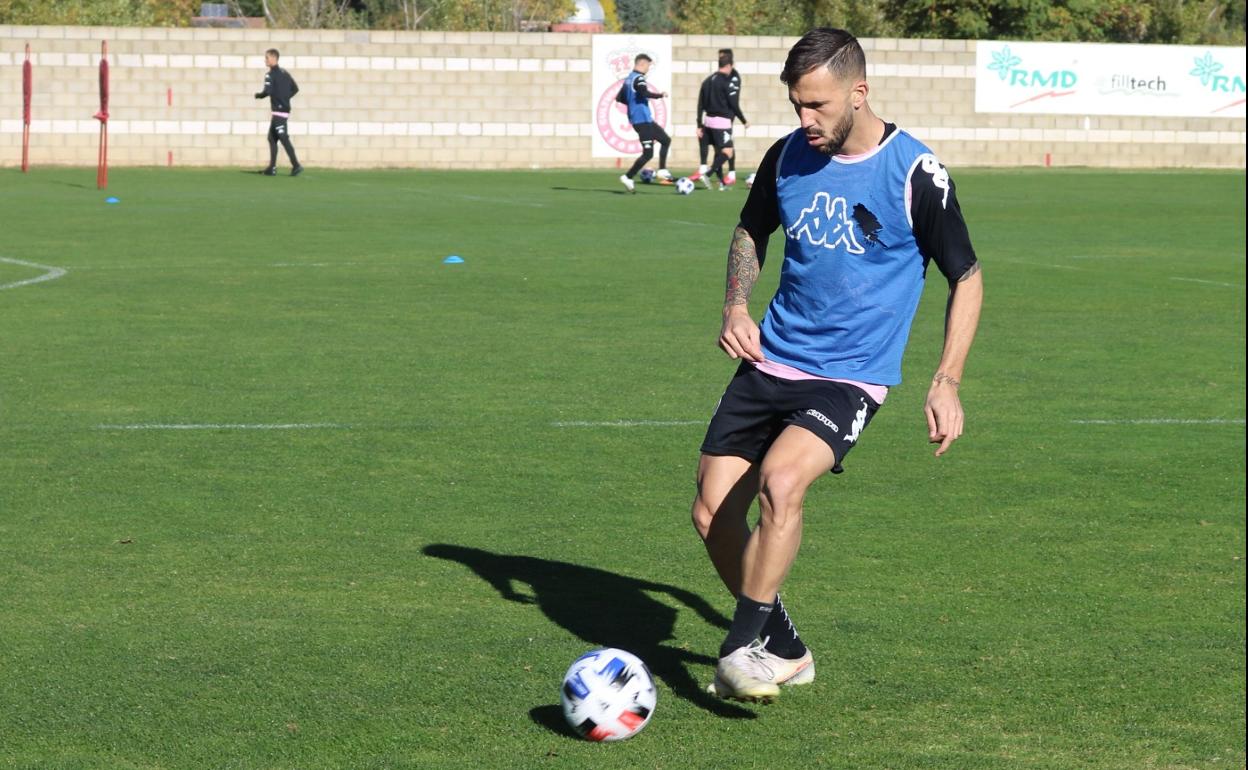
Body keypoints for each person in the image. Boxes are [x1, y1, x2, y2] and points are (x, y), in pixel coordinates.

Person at [690, 28, 984, 703]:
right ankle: (786, 647)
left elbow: (965, 276)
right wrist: (737, 306)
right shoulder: (787, 156)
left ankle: (742, 647)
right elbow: (750, 229)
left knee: (782, 482)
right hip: (772, 359)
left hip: (850, 374)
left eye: (817, 105)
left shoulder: (914, 172)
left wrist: (946, 380)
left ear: (859, 91)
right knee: (711, 515)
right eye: (796, 104)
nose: (805, 120)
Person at [693, 49, 748, 190]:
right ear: (729, 66)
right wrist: (743, 120)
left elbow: (700, 104)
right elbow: (733, 103)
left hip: (708, 121)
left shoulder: (707, 81)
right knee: (728, 152)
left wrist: (699, 124)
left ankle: (722, 183)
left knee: (718, 152)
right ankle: (708, 173)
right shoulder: (725, 82)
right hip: (721, 122)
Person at [618, 54, 672, 193]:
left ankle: (662, 170)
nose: (648, 68)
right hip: (641, 121)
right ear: (642, 64)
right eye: (648, 65)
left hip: (644, 119)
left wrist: (633, 105)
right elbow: (644, 92)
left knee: (665, 140)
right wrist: (660, 95)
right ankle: (628, 176)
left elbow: (620, 98)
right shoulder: (639, 78)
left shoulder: (628, 79)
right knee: (648, 154)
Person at [255, 48, 302, 177]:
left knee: (284, 138)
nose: (265, 60)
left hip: (278, 112)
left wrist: (259, 95)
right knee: (271, 138)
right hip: (284, 110)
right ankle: (272, 168)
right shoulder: (285, 73)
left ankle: (296, 165)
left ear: (274, 59)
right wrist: (285, 98)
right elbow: (295, 89)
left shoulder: (269, 75)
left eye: (267, 58)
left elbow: (267, 91)